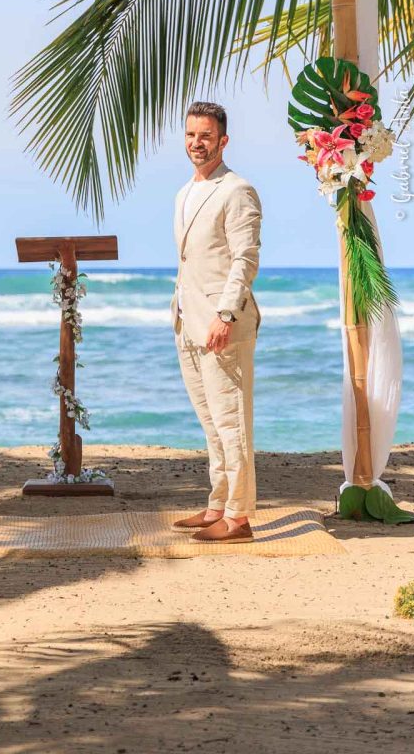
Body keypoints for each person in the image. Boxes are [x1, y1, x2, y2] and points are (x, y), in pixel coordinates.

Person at [169, 101, 262, 543]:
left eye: (205, 136)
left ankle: (239, 518)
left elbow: (245, 259)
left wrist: (226, 314)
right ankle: (218, 505)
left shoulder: (237, 190)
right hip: (188, 322)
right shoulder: (184, 193)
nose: (197, 143)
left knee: (231, 422)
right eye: (191, 135)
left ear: (223, 140)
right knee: (211, 423)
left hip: (223, 323)